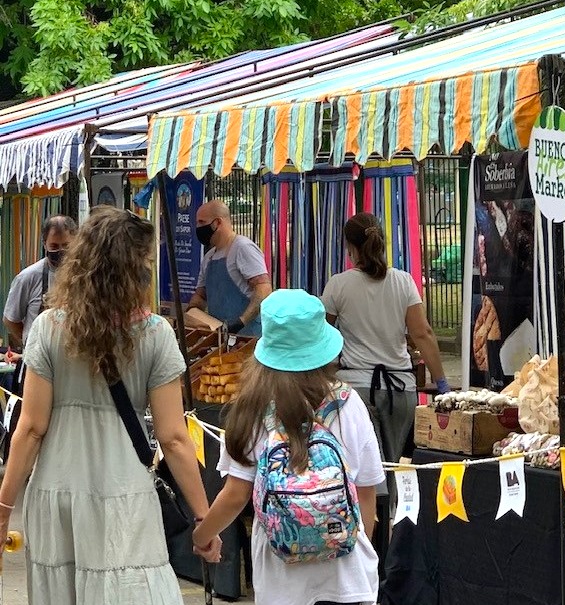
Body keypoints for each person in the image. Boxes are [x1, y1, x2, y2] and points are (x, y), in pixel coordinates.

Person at [0, 206, 220, 605]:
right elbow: (173, 438)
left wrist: (3, 509)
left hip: (55, 491)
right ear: (134, 267)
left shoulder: (49, 328)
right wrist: (204, 517)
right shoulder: (155, 335)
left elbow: (30, 429)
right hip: (124, 493)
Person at [192, 289, 384, 605]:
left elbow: (235, 496)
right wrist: (350, 545)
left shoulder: (252, 410)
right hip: (347, 579)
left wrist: (203, 536)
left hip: (282, 582)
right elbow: (366, 494)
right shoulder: (348, 405)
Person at [321, 213, 448, 468]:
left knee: (362, 471)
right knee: (391, 467)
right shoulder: (403, 282)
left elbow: (323, 336)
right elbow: (422, 334)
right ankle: (389, 509)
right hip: (401, 389)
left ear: (350, 247)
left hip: (356, 389)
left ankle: (373, 509)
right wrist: (442, 382)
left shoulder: (338, 285)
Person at [187, 200, 271, 336]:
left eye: (201, 222)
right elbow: (201, 295)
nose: (198, 227)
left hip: (249, 336)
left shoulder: (243, 248)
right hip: (221, 336)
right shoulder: (208, 257)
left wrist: (241, 322)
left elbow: (264, 289)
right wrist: (192, 312)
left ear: (217, 223)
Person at [3, 215, 77, 348]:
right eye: (54, 246)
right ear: (44, 244)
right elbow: (10, 320)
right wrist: (31, 342)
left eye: (66, 246)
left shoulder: (85, 276)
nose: (60, 251)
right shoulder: (27, 278)